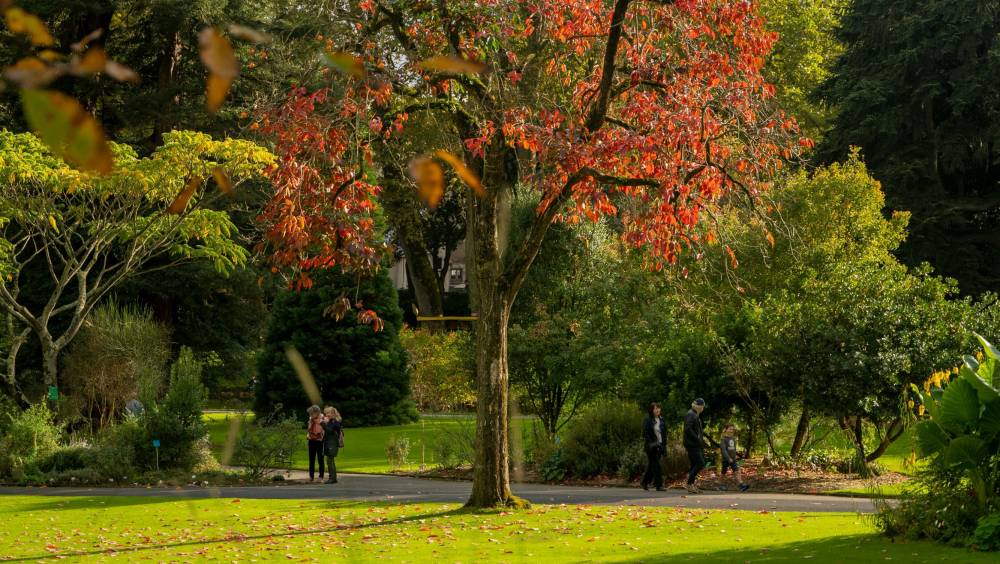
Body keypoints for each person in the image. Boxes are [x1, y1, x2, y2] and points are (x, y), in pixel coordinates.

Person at [683, 398, 708, 494]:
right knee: (701, 463)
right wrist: (697, 439)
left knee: (694, 464)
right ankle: (689, 483)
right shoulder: (691, 414)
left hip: (695, 443)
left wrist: (701, 441)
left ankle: (691, 485)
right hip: (692, 444)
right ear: (700, 407)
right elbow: (688, 429)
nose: (703, 409)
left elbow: (695, 430)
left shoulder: (694, 414)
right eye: (703, 407)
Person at [641, 402, 667, 491]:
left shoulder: (662, 420)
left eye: (659, 408)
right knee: (657, 466)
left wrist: (664, 447)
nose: (658, 410)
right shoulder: (648, 420)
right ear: (651, 410)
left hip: (660, 446)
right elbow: (644, 433)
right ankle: (658, 485)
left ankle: (644, 482)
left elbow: (664, 435)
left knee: (651, 466)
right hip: (651, 447)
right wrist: (652, 442)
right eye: (656, 408)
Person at [720, 423, 749, 492]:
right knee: (723, 473)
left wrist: (734, 456)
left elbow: (733, 449)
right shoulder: (723, 439)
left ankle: (741, 485)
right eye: (730, 429)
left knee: (737, 470)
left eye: (732, 429)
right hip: (726, 459)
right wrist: (728, 458)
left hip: (733, 459)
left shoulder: (733, 439)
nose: (731, 430)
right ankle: (721, 485)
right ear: (726, 429)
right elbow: (723, 450)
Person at [321, 406, 342, 484]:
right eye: (326, 413)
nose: (326, 415)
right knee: (329, 461)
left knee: (330, 460)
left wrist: (323, 424)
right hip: (329, 443)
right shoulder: (331, 421)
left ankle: (332, 478)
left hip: (332, 443)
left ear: (333, 413)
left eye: (328, 413)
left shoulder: (335, 422)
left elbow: (330, 431)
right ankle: (332, 477)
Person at [306, 405, 325, 482]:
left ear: (317, 412)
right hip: (311, 441)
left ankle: (321, 476)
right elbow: (309, 430)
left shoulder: (323, 419)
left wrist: (321, 436)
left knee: (320, 459)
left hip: (320, 441)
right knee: (311, 459)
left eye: (311, 413)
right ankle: (311, 476)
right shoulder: (311, 419)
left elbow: (324, 431)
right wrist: (308, 434)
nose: (310, 415)